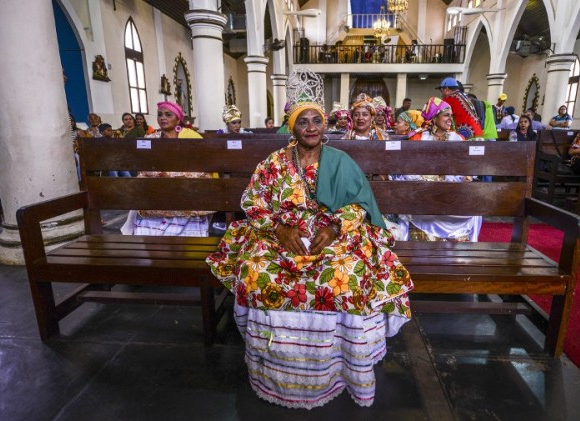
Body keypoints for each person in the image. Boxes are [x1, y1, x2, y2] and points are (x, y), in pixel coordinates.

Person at [206, 69, 414, 409]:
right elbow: (252, 203)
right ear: (293, 127)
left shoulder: (341, 161)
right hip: (281, 234)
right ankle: (277, 371)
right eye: (304, 122)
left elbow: (360, 205)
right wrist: (279, 228)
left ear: (326, 124)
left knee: (346, 276)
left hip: (331, 233)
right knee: (259, 273)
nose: (312, 127)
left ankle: (339, 368)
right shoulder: (273, 164)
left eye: (317, 120)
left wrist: (333, 229)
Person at [121, 101, 216, 237]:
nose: (163, 118)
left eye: (168, 114)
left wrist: (171, 175)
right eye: (160, 115)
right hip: (158, 191)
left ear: (178, 119)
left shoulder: (191, 137)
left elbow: (200, 168)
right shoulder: (150, 139)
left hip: (185, 190)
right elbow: (144, 167)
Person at [397, 97, 482, 241]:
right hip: (423, 193)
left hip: (451, 193)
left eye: (451, 115)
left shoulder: (458, 139)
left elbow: (467, 169)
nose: (450, 119)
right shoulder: (418, 138)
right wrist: (426, 182)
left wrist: (458, 180)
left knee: (474, 210)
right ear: (434, 117)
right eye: (446, 115)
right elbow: (407, 168)